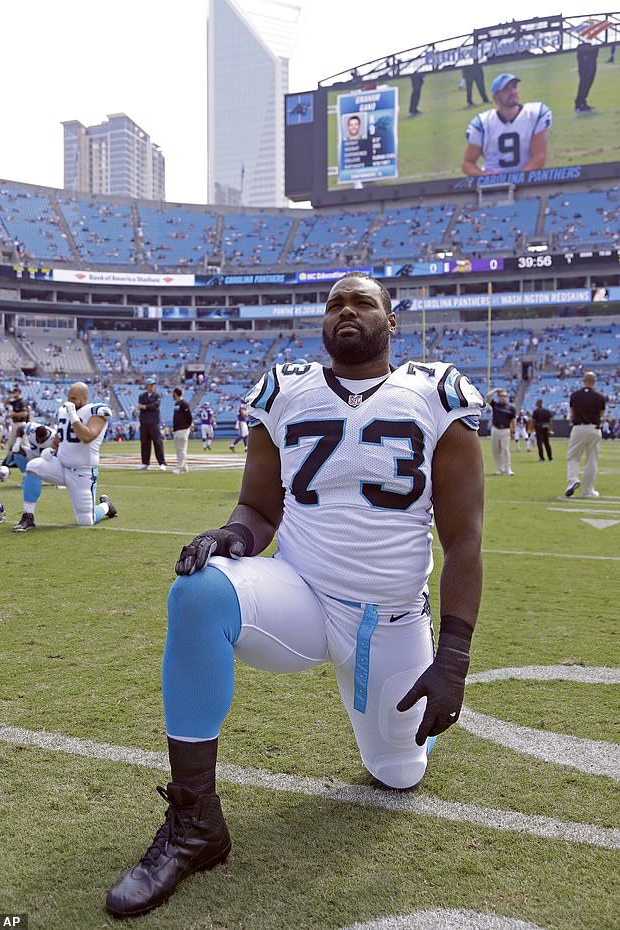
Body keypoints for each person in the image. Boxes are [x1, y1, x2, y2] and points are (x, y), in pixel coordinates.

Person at [106, 272, 485, 918]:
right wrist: (231, 534)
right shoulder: (285, 391)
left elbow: (465, 540)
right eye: (335, 302)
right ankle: (197, 823)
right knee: (198, 594)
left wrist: (452, 657)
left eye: (362, 301)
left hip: (389, 622)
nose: (346, 310)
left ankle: (404, 730)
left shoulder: (434, 394)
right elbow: (258, 509)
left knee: (398, 774)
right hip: (300, 595)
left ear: (391, 322)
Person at [12, 382, 117, 532]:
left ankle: (106, 506)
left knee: (86, 520)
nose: (70, 401)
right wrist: (52, 448)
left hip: (83, 472)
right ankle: (28, 517)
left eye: (74, 398)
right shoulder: (64, 410)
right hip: (61, 465)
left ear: (84, 398)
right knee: (34, 466)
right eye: (68, 397)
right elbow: (62, 434)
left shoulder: (97, 411)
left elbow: (86, 436)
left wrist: (74, 416)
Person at [461, 74, 552, 176]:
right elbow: (467, 163)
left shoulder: (534, 114)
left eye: (514, 87)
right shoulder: (483, 124)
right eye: (506, 89)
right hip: (494, 187)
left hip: (526, 184)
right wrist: (484, 176)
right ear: (496, 98)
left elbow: (539, 157)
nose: (512, 92)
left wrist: (518, 180)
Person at [565, 371, 606, 498]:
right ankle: (588, 491)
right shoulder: (600, 397)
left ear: (583, 381)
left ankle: (573, 479)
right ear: (594, 382)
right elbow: (601, 414)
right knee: (592, 460)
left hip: (578, 428)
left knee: (573, 457)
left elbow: (572, 412)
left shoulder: (575, 395)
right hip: (594, 428)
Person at [137, 376, 166, 471]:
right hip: (144, 422)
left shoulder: (157, 395)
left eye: (154, 385)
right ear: (147, 386)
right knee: (145, 443)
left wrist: (144, 407)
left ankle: (162, 462)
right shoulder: (142, 396)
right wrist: (145, 407)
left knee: (158, 442)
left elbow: (155, 406)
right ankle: (145, 462)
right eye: (151, 385)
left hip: (154, 422)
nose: (153, 387)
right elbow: (142, 406)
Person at [486, 387, 515, 475]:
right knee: (496, 450)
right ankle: (500, 469)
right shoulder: (495, 405)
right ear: (498, 396)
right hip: (495, 429)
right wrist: (497, 389)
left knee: (505, 450)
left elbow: (513, 420)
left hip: (505, 430)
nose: (502, 397)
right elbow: (488, 396)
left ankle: (508, 469)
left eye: (504, 396)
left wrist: (513, 431)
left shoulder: (510, 408)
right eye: (501, 395)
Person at [172, 387, 193, 474]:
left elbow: (189, 416)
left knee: (181, 449)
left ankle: (180, 467)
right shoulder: (177, 404)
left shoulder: (184, 403)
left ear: (176, 393)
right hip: (177, 429)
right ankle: (184, 466)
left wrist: (187, 425)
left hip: (183, 428)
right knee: (179, 449)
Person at [575, 43, 598, 112]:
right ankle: (579, 104)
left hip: (592, 49)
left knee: (590, 80)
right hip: (584, 50)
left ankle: (583, 102)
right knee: (585, 81)